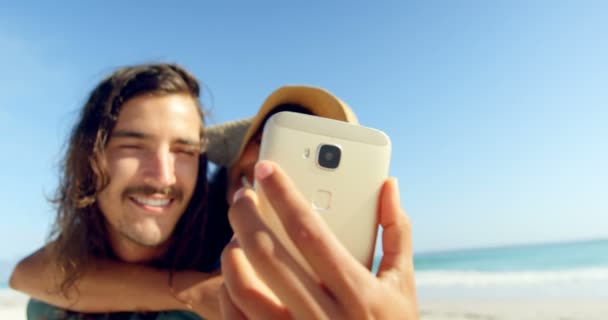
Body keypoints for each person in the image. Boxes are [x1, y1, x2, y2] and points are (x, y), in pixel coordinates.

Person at [12, 82, 418, 319]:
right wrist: (194, 289)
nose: (270, 167)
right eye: (270, 142)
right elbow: (32, 273)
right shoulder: (182, 213)